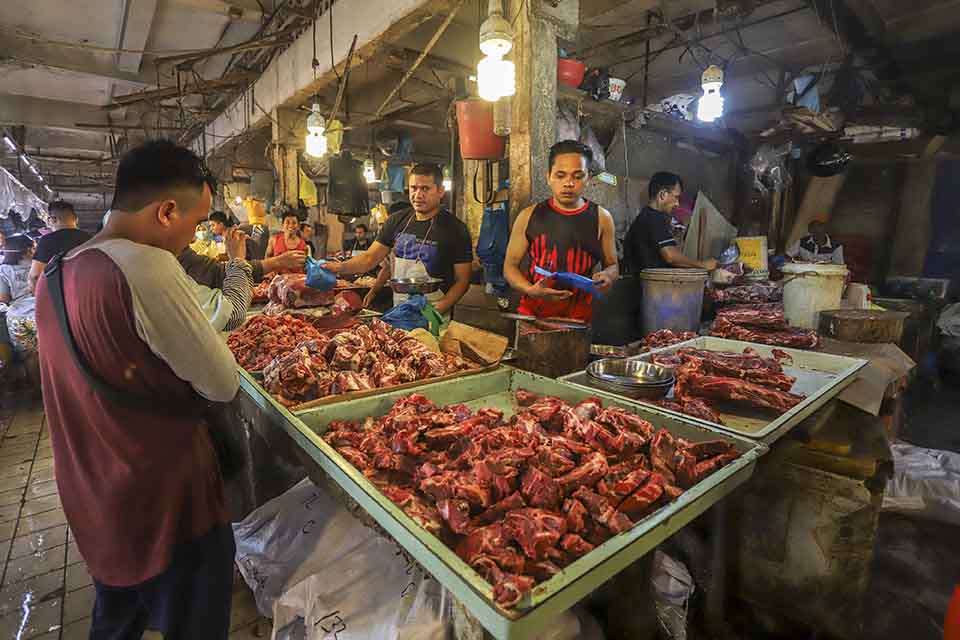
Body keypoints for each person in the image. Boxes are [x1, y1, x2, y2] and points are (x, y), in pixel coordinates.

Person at [34, 139, 241, 639]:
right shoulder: (145, 266)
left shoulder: (57, 275)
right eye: (194, 224)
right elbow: (221, 382)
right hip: (168, 502)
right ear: (167, 211)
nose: (191, 240)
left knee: (116, 623)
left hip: (96, 495)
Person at [325, 164, 473, 316]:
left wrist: (437, 310)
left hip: (434, 313)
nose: (418, 195)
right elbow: (369, 258)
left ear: (440, 191)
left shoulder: (456, 229)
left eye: (425, 189)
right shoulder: (396, 221)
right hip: (399, 309)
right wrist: (338, 267)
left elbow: (462, 281)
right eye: (414, 188)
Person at [503, 140, 619, 323]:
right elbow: (509, 267)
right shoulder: (528, 216)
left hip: (579, 319)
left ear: (588, 178)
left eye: (578, 176)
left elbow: (612, 265)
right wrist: (530, 289)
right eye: (560, 175)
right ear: (549, 176)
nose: (569, 183)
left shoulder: (602, 218)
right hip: (533, 316)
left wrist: (608, 277)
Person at [623, 172, 718, 273]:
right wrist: (703, 265)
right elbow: (671, 256)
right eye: (676, 197)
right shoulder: (654, 218)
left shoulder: (645, 216)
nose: (677, 204)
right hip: (649, 287)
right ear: (663, 195)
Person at [28, 201, 92, 293]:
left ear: (52, 219)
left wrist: (35, 294)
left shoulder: (47, 241)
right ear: (76, 219)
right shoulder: (90, 238)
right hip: (86, 293)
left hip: (59, 298)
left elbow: (35, 275)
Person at [1, 234, 39, 362]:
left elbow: (4, 298)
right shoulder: (38, 266)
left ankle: (35, 382)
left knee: (29, 355)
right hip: (41, 313)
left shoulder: (3, 270)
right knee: (51, 350)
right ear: (29, 250)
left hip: (17, 317)